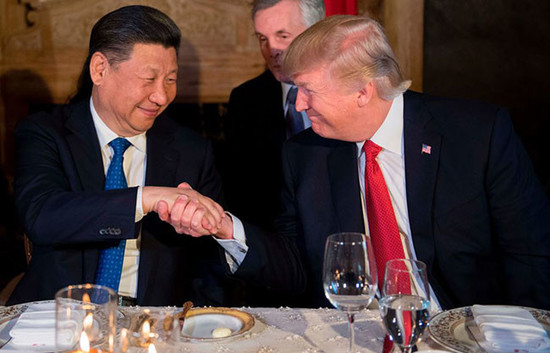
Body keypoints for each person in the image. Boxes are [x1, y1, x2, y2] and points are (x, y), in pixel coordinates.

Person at [180, 15, 550, 310]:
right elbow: (296, 269)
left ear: (363, 91)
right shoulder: (306, 154)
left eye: (308, 91)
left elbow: (531, 254)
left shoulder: (477, 135)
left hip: (463, 332)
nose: (299, 106)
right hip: (358, 332)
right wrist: (228, 228)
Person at [9, 5, 236, 307]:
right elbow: (41, 214)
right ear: (100, 69)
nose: (162, 96)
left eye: (170, 79)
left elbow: (212, 259)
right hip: (57, 316)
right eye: (149, 79)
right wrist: (145, 198)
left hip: (152, 323)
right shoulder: (45, 133)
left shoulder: (191, 151)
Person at [220, 0, 325, 230]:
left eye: (283, 36)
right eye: (262, 39)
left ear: (315, 32)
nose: (271, 51)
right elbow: (240, 191)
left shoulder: (345, 91)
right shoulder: (244, 99)